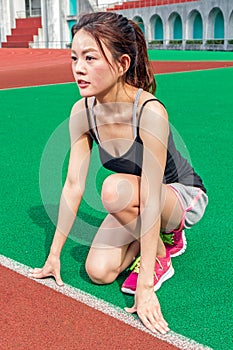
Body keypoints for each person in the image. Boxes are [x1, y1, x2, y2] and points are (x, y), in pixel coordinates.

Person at [30, 12, 208, 335]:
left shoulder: (149, 111)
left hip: (179, 195)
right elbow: (73, 185)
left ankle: (165, 247)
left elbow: (152, 195)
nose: (78, 68)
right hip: (134, 197)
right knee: (97, 270)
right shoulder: (82, 112)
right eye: (74, 58)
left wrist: (145, 287)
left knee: (113, 190)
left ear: (123, 64)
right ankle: (151, 242)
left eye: (90, 58)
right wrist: (53, 255)